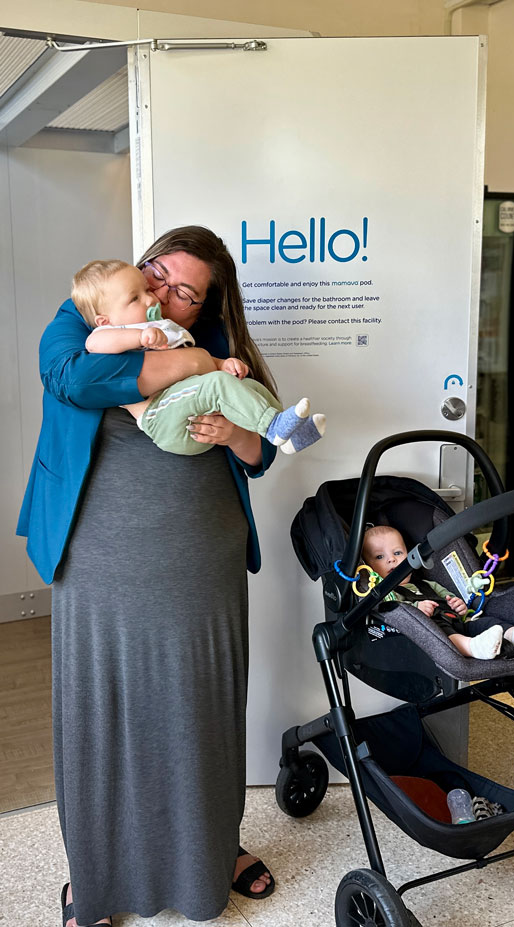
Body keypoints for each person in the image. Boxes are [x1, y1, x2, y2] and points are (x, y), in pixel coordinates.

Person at [17, 227, 285, 927]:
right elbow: (74, 379)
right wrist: (190, 360)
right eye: (155, 273)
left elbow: (263, 449)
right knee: (104, 712)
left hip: (203, 557)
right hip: (99, 553)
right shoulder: (81, 318)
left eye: (184, 292)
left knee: (199, 711)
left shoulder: (218, 349)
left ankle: (211, 855)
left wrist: (231, 431)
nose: (161, 292)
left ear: (204, 308)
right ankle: (99, 880)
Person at [74, 259, 326, 455]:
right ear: (104, 319)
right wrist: (138, 338)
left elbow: (196, 360)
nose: (152, 298)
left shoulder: (164, 327)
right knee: (218, 384)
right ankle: (273, 426)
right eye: (135, 297)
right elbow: (95, 343)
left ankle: (290, 433)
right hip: (162, 418)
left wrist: (222, 363)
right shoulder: (110, 331)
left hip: (192, 413)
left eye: (145, 290)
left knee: (246, 385)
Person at [361, 525, 514, 660]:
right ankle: (474, 648)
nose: (391, 560)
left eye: (397, 553)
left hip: (458, 622)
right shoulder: (387, 594)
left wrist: (458, 605)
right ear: (368, 566)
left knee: (487, 623)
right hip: (433, 635)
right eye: (379, 556)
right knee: (446, 634)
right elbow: (394, 613)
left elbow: (449, 598)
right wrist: (417, 609)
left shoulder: (428, 584)